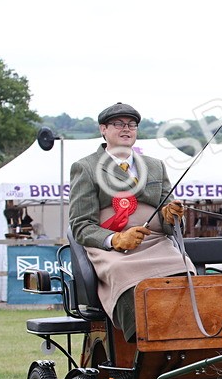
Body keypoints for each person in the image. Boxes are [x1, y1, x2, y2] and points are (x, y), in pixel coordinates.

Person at [69, 102, 190, 340]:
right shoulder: (86, 167)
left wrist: (170, 216)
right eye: (118, 124)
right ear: (103, 129)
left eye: (131, 124)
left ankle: (192, 332)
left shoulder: (155, 166)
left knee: (185, 267)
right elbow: (81, 225)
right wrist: (116, 239)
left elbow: (172, 225)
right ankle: (141, 342)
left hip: (157, 244)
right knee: (121, 271)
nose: (126, 129)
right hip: (113, 251)